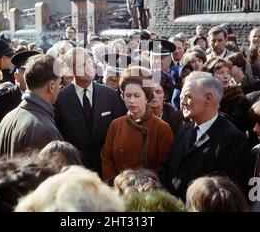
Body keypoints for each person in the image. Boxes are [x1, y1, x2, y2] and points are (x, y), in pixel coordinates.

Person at [160, 72, 252, 201]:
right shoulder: (183, 130)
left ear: (208, 98)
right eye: (181, 96)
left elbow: (229, 194)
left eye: (188, 96)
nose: (182, 102)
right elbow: (167, 168)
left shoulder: (234, 141)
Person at [101, 66, 174, 184]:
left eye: (137, 95)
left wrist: (144, 185)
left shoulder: (161, 128)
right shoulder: (116, 125)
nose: (132, 101)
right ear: (122, 96)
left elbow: (164, 165)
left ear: (147, 97)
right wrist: (115, 183)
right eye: (128, 95)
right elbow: (106, 159)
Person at [55, 47, 121, 175]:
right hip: (73, 171)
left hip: (105, 169)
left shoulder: (110, 95)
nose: (89, 68)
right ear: (71, 70)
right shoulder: (60, 99)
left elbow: (117, 134)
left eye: (90, 63)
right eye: (82, 65)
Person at [0, 54, 63, 158]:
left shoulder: (8, 117)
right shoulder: (45, 129)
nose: (60, 88)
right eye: (59, 83)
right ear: (51, 86)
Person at [0, 50, 39, 164]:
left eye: (37, 71)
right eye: (27, 71)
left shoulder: (50, 98)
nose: (33, 76)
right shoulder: (1, 101)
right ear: (16, 76)